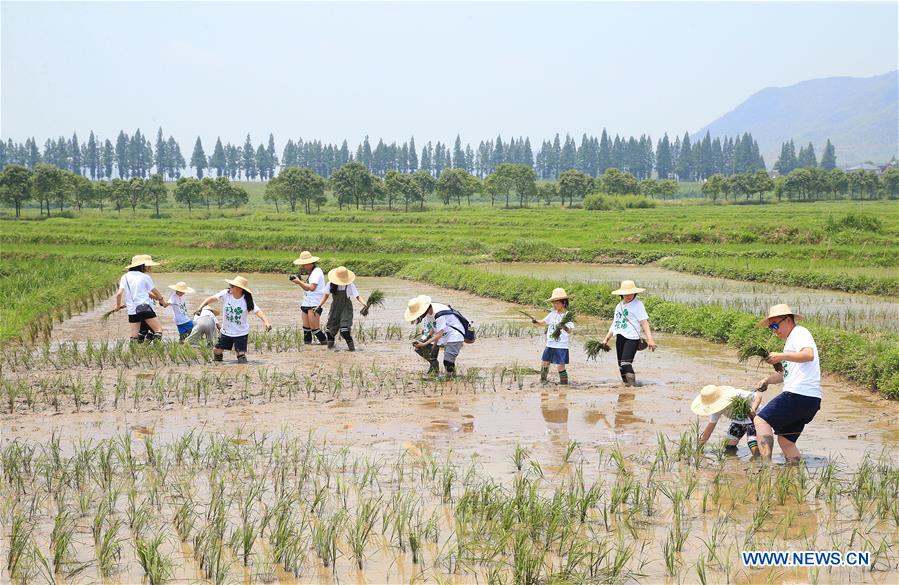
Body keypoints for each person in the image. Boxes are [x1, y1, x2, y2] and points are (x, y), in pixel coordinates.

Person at [753, 304, 821, 464]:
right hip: (810, 400)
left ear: (788, 320)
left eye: (776, 325)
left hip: (799, 395)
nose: (774, 330)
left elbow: (808, 355)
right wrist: (767, 380)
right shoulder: (792, 341)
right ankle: (794, 476)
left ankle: (766, 466)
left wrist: (782, 355)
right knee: (786, 442)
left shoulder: (800, 333)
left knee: (760, 420)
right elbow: (787, 374)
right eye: (771, 327)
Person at [195, 275, 272, 364]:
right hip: (226, 331)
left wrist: (266, 322)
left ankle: (243, 371)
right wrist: (200, 308)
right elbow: (212, 298)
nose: (230, 287)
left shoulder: (247, 300)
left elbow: (258, 311)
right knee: (217, 351)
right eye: (230, 285)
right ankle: (218, 368)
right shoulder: (226, 294)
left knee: (240, 356)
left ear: (240, 289)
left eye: (232, 286)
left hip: (241, 333)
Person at [601, 280, 657, 386]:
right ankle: (626, 388)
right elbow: (615, 324)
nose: (628, 296)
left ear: (635, 293)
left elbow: (644, 323)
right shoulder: (619, 306)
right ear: (621, 294)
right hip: (620, 338)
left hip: (632, 338)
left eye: (631, 293)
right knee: (621, 366)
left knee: (626, 363)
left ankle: (633, 387)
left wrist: (650, 339)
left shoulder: (638, 305)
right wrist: (606, 339)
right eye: (626, 294)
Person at [692, 385, 763, 456]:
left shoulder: (736, 395)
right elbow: (709, 429)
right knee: (729, 446)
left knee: (752, 443)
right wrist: (700, 447)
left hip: (755, 417)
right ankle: (735, 461)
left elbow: (758, 396)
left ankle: (759, 460)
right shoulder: (716, 409)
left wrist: (753, 409)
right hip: (738, 421)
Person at [405, 295, 466, 377]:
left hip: (454, 334)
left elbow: (439, 334)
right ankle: (434, 366)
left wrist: (424, 344)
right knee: (419, 343)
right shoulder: (428, 312)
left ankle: (451, 378)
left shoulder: (438, 313)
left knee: (448, 362)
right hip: (443, 333)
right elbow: (432, 329)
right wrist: (424, 340)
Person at [113, 254, 168, 343]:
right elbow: (156, 292)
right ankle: (156, 351)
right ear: (142, 266)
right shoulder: (145, 277)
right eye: (148, 266)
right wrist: (162, 300)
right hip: (144, 308)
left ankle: (134, 353)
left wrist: (118, 306)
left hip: (132, 310)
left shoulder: (125, 277)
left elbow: (119, 294)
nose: (150, 268)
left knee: (134, 336)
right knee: (158, 330)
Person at [316, 266, 367, 351]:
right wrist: (319, 306)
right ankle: (330, 349)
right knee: (329, 331)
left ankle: (352, 350)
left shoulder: (349, 285)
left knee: (344, 331)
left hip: (346, 308)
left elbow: (357, 296)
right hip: (335, 308)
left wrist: (364, 303)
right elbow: (325, 296)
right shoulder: (330, 284)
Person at [533, 288, 574, 385]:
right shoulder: (552, 314)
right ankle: (543, 381)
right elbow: (543, 322)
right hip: (550, 343)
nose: (554, 305)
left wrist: (562, 326)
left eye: (557, 303)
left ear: (564, 303)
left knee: (560, 366)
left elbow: (569, 331)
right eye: (553, 303)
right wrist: (536, 322)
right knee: (545, 363)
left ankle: (564, 385)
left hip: (561, 345)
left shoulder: (568, 316)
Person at [290, 251, 328, 345]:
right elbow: (307, 288)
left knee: (315, 329)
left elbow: (311, 288)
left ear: (309, 263)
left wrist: (299, 282)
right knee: (306, 329)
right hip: (306, 302)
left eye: (304, 264)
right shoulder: (311, 272)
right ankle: (307, 350)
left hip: (314, 303)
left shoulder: (316, 272)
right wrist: (299, 282)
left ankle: (328, 345)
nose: (303, 266)